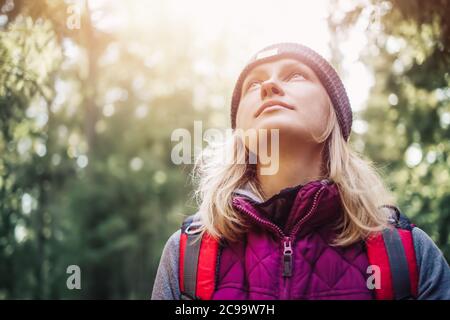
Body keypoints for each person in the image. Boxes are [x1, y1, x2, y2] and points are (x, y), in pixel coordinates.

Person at [151, 42, 450, 300]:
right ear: (239, 129)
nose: (268, 87)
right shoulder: (187, 256)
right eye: (252, 85)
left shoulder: (407, 254)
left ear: (332, 114)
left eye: (295, 75)